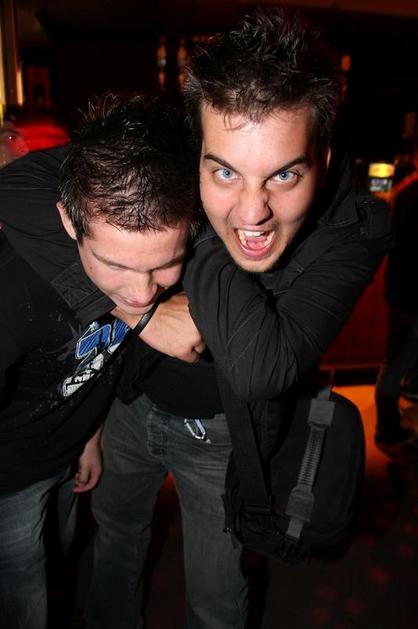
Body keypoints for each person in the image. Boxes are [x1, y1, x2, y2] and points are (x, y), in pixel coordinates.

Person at [0, 9, 390, 629]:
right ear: (198, 148)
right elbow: (19, 187)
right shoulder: (192, 156)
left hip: (223, 438)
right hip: (130, 406)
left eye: (284, 174)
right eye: (225, 170)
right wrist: (142, 315)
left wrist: (201, 229)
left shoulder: (353, 229)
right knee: (115, 545)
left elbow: (262, 367)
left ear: (321, 154)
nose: (254, 212)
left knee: (216, 596)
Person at [0, 93, 200, 629]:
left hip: (67, 455)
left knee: (59, 562)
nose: (141, 294)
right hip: (8, 477)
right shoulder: (16, 286)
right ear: (69, 223)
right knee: (24, 599)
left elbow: (99, 364)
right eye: (115, 265)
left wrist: (90, 436)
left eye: (165, 265)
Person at [375, 140, 418, 450]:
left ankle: (389, 424)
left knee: (396, 359)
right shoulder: (409, 193)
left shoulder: (404, 191)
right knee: (398, 362)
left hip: (401, 292)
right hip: (411, 296)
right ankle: (388, 428)